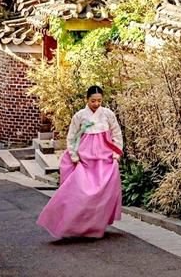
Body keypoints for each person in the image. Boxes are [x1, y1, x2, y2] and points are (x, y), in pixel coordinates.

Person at [37, 85, 124, 239]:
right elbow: (72, 137)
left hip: (104, 158)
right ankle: (70, 223)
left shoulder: (108, 114)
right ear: (87, 100)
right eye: (93, 101)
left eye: (99, 101)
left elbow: (116, 133)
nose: (96, 104)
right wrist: (74, 156)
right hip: (84, 159)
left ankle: (96, 225)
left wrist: (116, 152)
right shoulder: (80, 116)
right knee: (79, 193)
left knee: (102, 194)